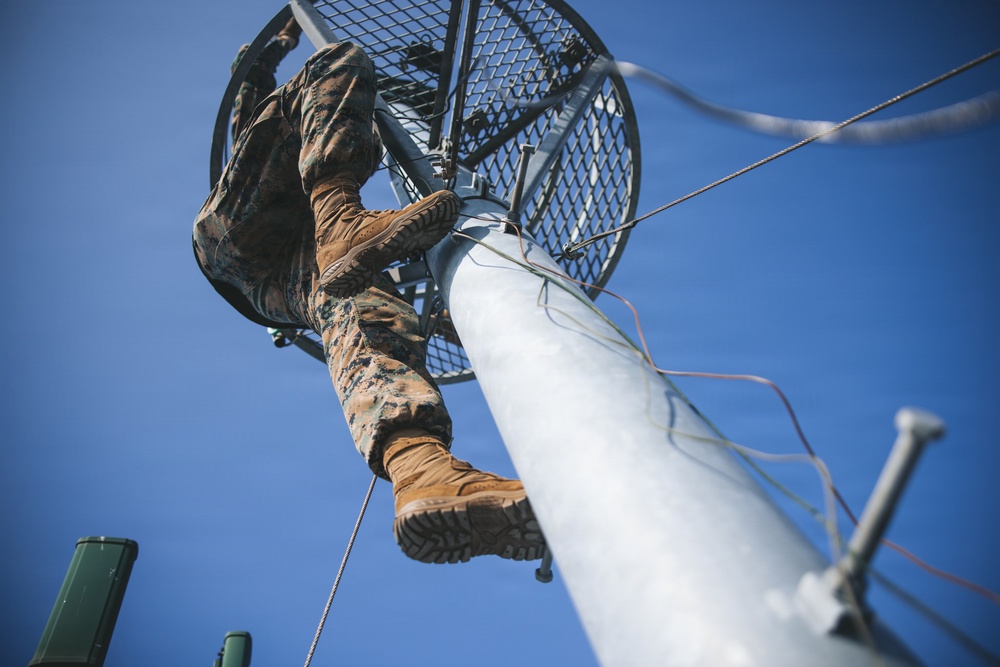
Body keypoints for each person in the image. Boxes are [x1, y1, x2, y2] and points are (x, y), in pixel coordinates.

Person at [193, 18, 545, 564]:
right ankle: (339, 218)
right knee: (337, 63)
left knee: (362, 305)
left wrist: (467, 312)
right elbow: (250, 83)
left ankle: (421, 469)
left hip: (279, 281)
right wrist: (279, 44)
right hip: (244, 230)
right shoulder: (273, 139)